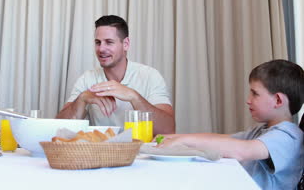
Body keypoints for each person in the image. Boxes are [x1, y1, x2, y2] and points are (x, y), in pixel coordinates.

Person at [156, 59, 304, 190]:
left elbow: (242, 150)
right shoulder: (262, 132)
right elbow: (223, 140)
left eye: (255, 93)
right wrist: (174, 136)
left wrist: (184, 140)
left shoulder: (289, 136)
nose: (248, 100)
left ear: (278, 100)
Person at [56, 15, 175, 134]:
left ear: (126, 44)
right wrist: (82, 99)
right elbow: (58, 129)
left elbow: (168, 129)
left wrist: (134, 97)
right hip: (101, 152)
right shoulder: (87, 79)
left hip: (142, 152)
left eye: (109, 42)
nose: (101, 49)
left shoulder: (150, 76)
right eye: (98, 42)